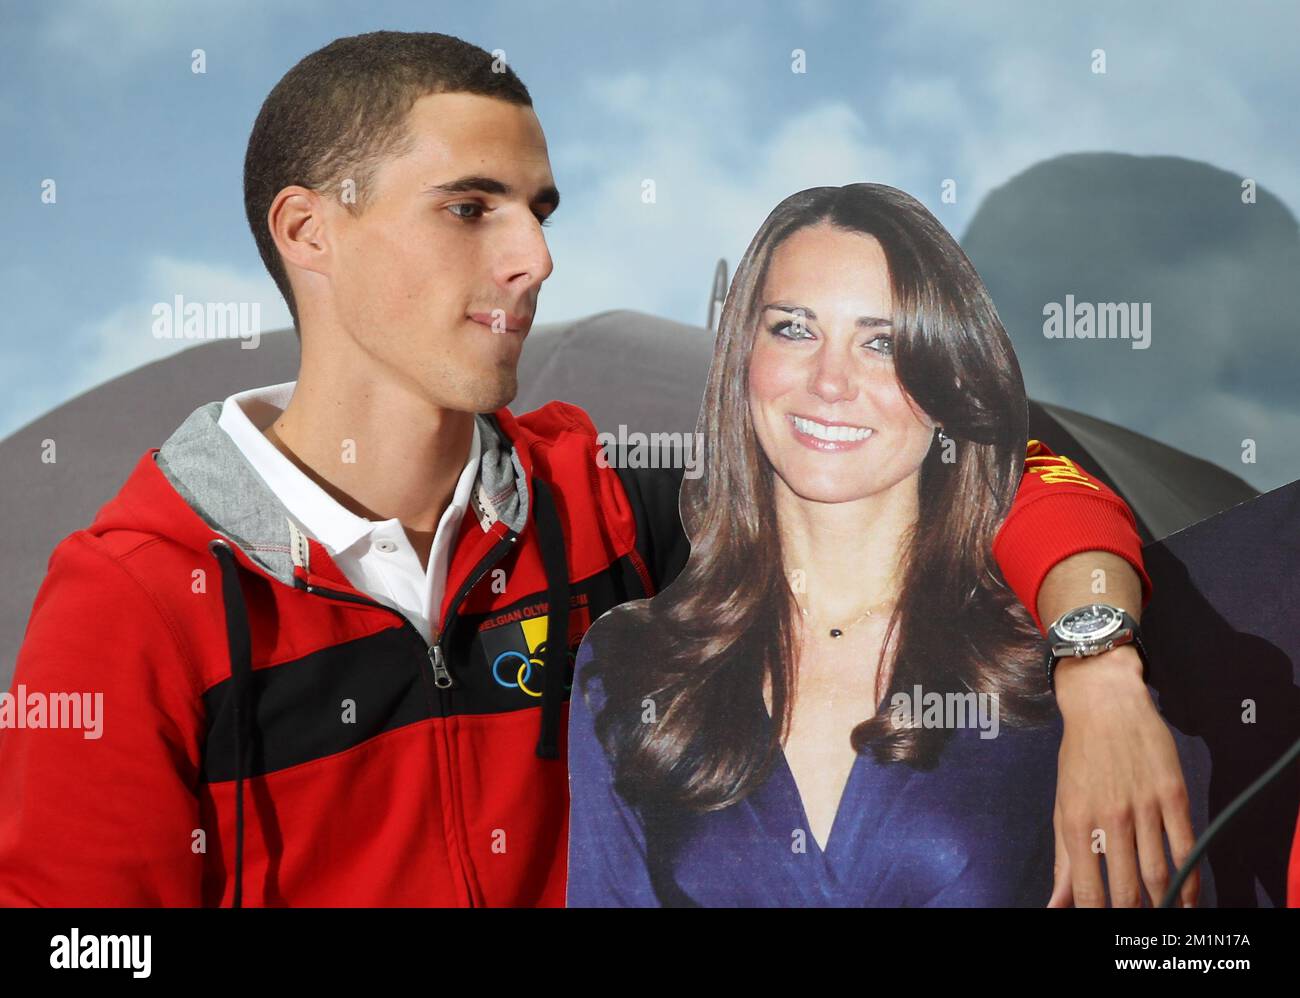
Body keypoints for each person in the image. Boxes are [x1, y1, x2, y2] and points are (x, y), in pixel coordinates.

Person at [0, 32, 1190, 907]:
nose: (535, 256)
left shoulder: (591, 504)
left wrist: (1096, 663)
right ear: (308, 233)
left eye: (538, 207)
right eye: (470, 208)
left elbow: (961, 455)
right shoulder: (136, 602)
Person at [568, 182, 1113, 906]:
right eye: (794, 328)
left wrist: (1106, 675)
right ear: (742, 356)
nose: (831, 381)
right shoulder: (632, 662)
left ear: (948, 375)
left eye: (881, 342)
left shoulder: (1053, 658)